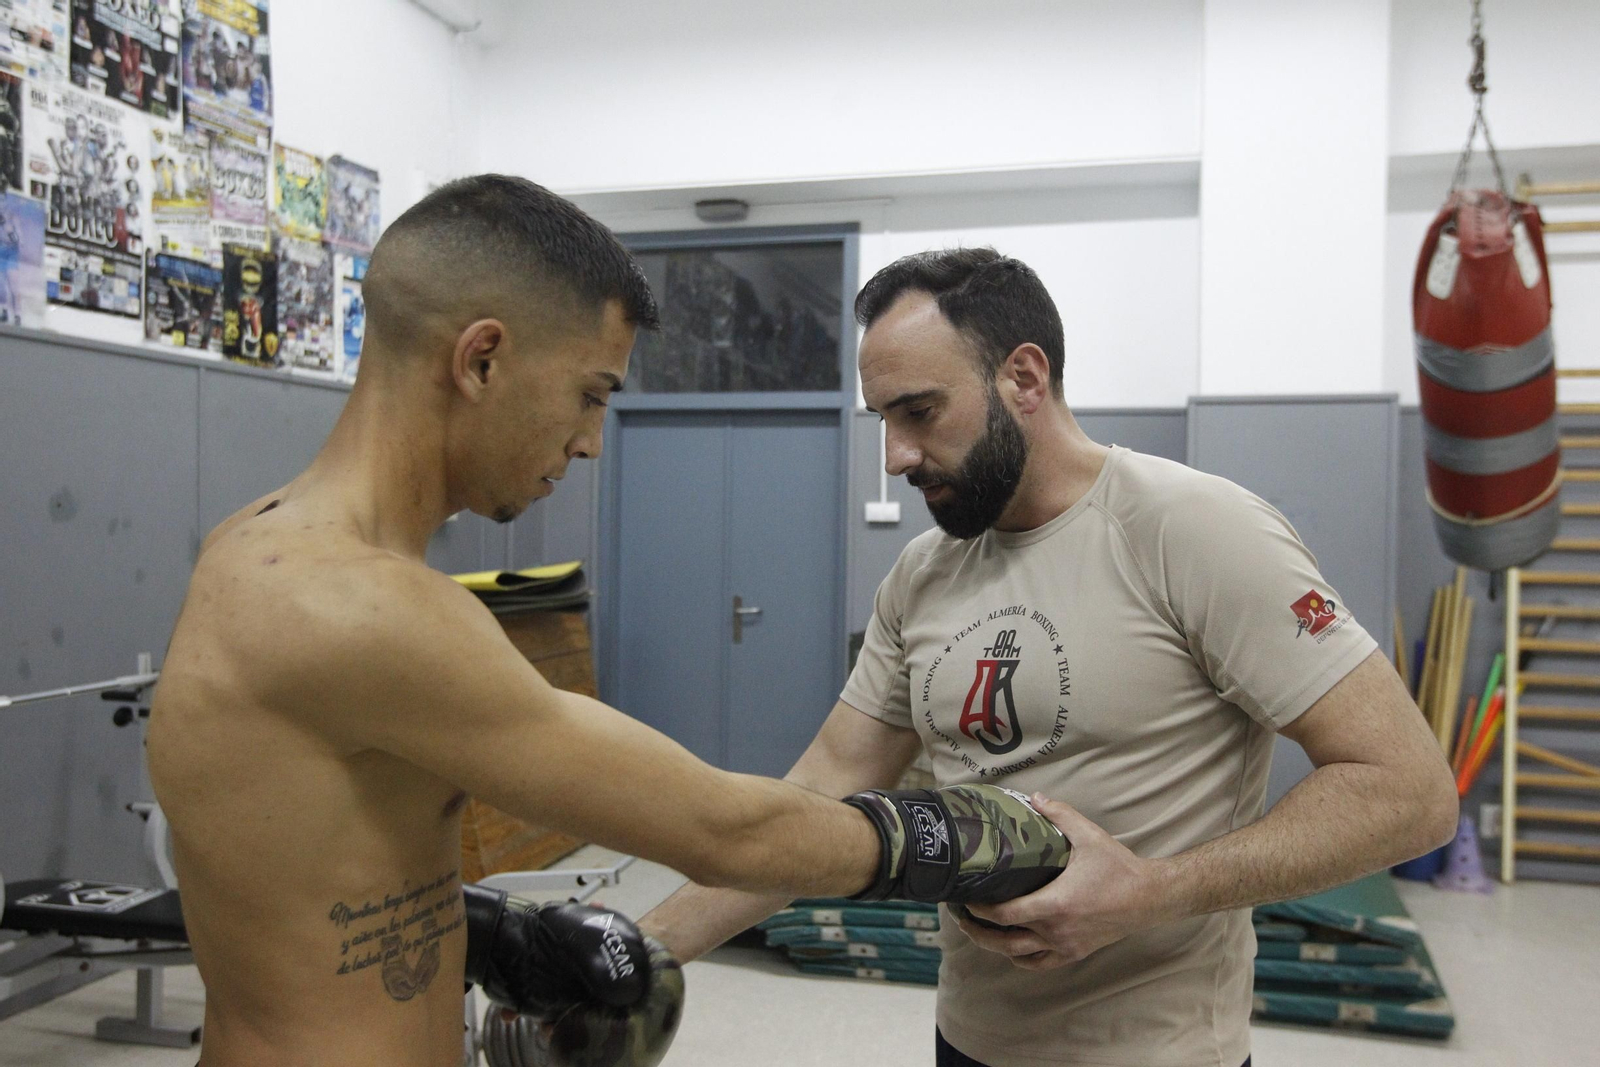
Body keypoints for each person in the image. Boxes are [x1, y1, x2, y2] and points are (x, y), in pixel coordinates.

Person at [146, 178, 1065, 1067]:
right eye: (591, 393)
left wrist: (471, 927)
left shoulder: (255, 545)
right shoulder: (365, 608)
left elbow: (290, 858)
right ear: (482, 359)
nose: (590, 441)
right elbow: (727, 830)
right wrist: (972, 832)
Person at [640, 248, 1460, 1067]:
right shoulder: (921, 576)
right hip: (967, 1042)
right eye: (882, 419)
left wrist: (1151, 893)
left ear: (1024, 380)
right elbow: (815, 796)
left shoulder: (1192, 528)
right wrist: (638, 951)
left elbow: (1409, 790)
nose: (894, 456)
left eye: (919, 411)